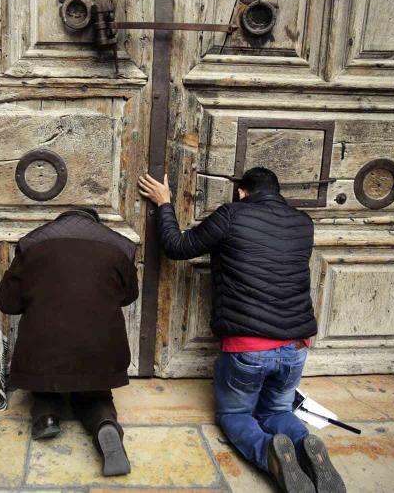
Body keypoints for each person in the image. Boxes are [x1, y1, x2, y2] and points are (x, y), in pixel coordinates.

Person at [138, 168, 346, 493]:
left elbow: (177, 247)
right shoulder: (303, 223)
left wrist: (165, 202)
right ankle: (306, 446)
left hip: (249, 347)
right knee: (276, 409)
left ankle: (269, 455)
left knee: (236, 415)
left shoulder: (231, 215)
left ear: (241, 192)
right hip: (296, 346)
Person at [0, 207, 138, 476]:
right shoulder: (121, 245)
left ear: (58, 220)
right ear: (95, 222)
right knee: (95, 393)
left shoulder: (31, 242)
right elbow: (128, 295)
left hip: (42, 356)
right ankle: (104, 424)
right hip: (101, 356)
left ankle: (46, 415)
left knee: (46, 384)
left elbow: (7, 302)